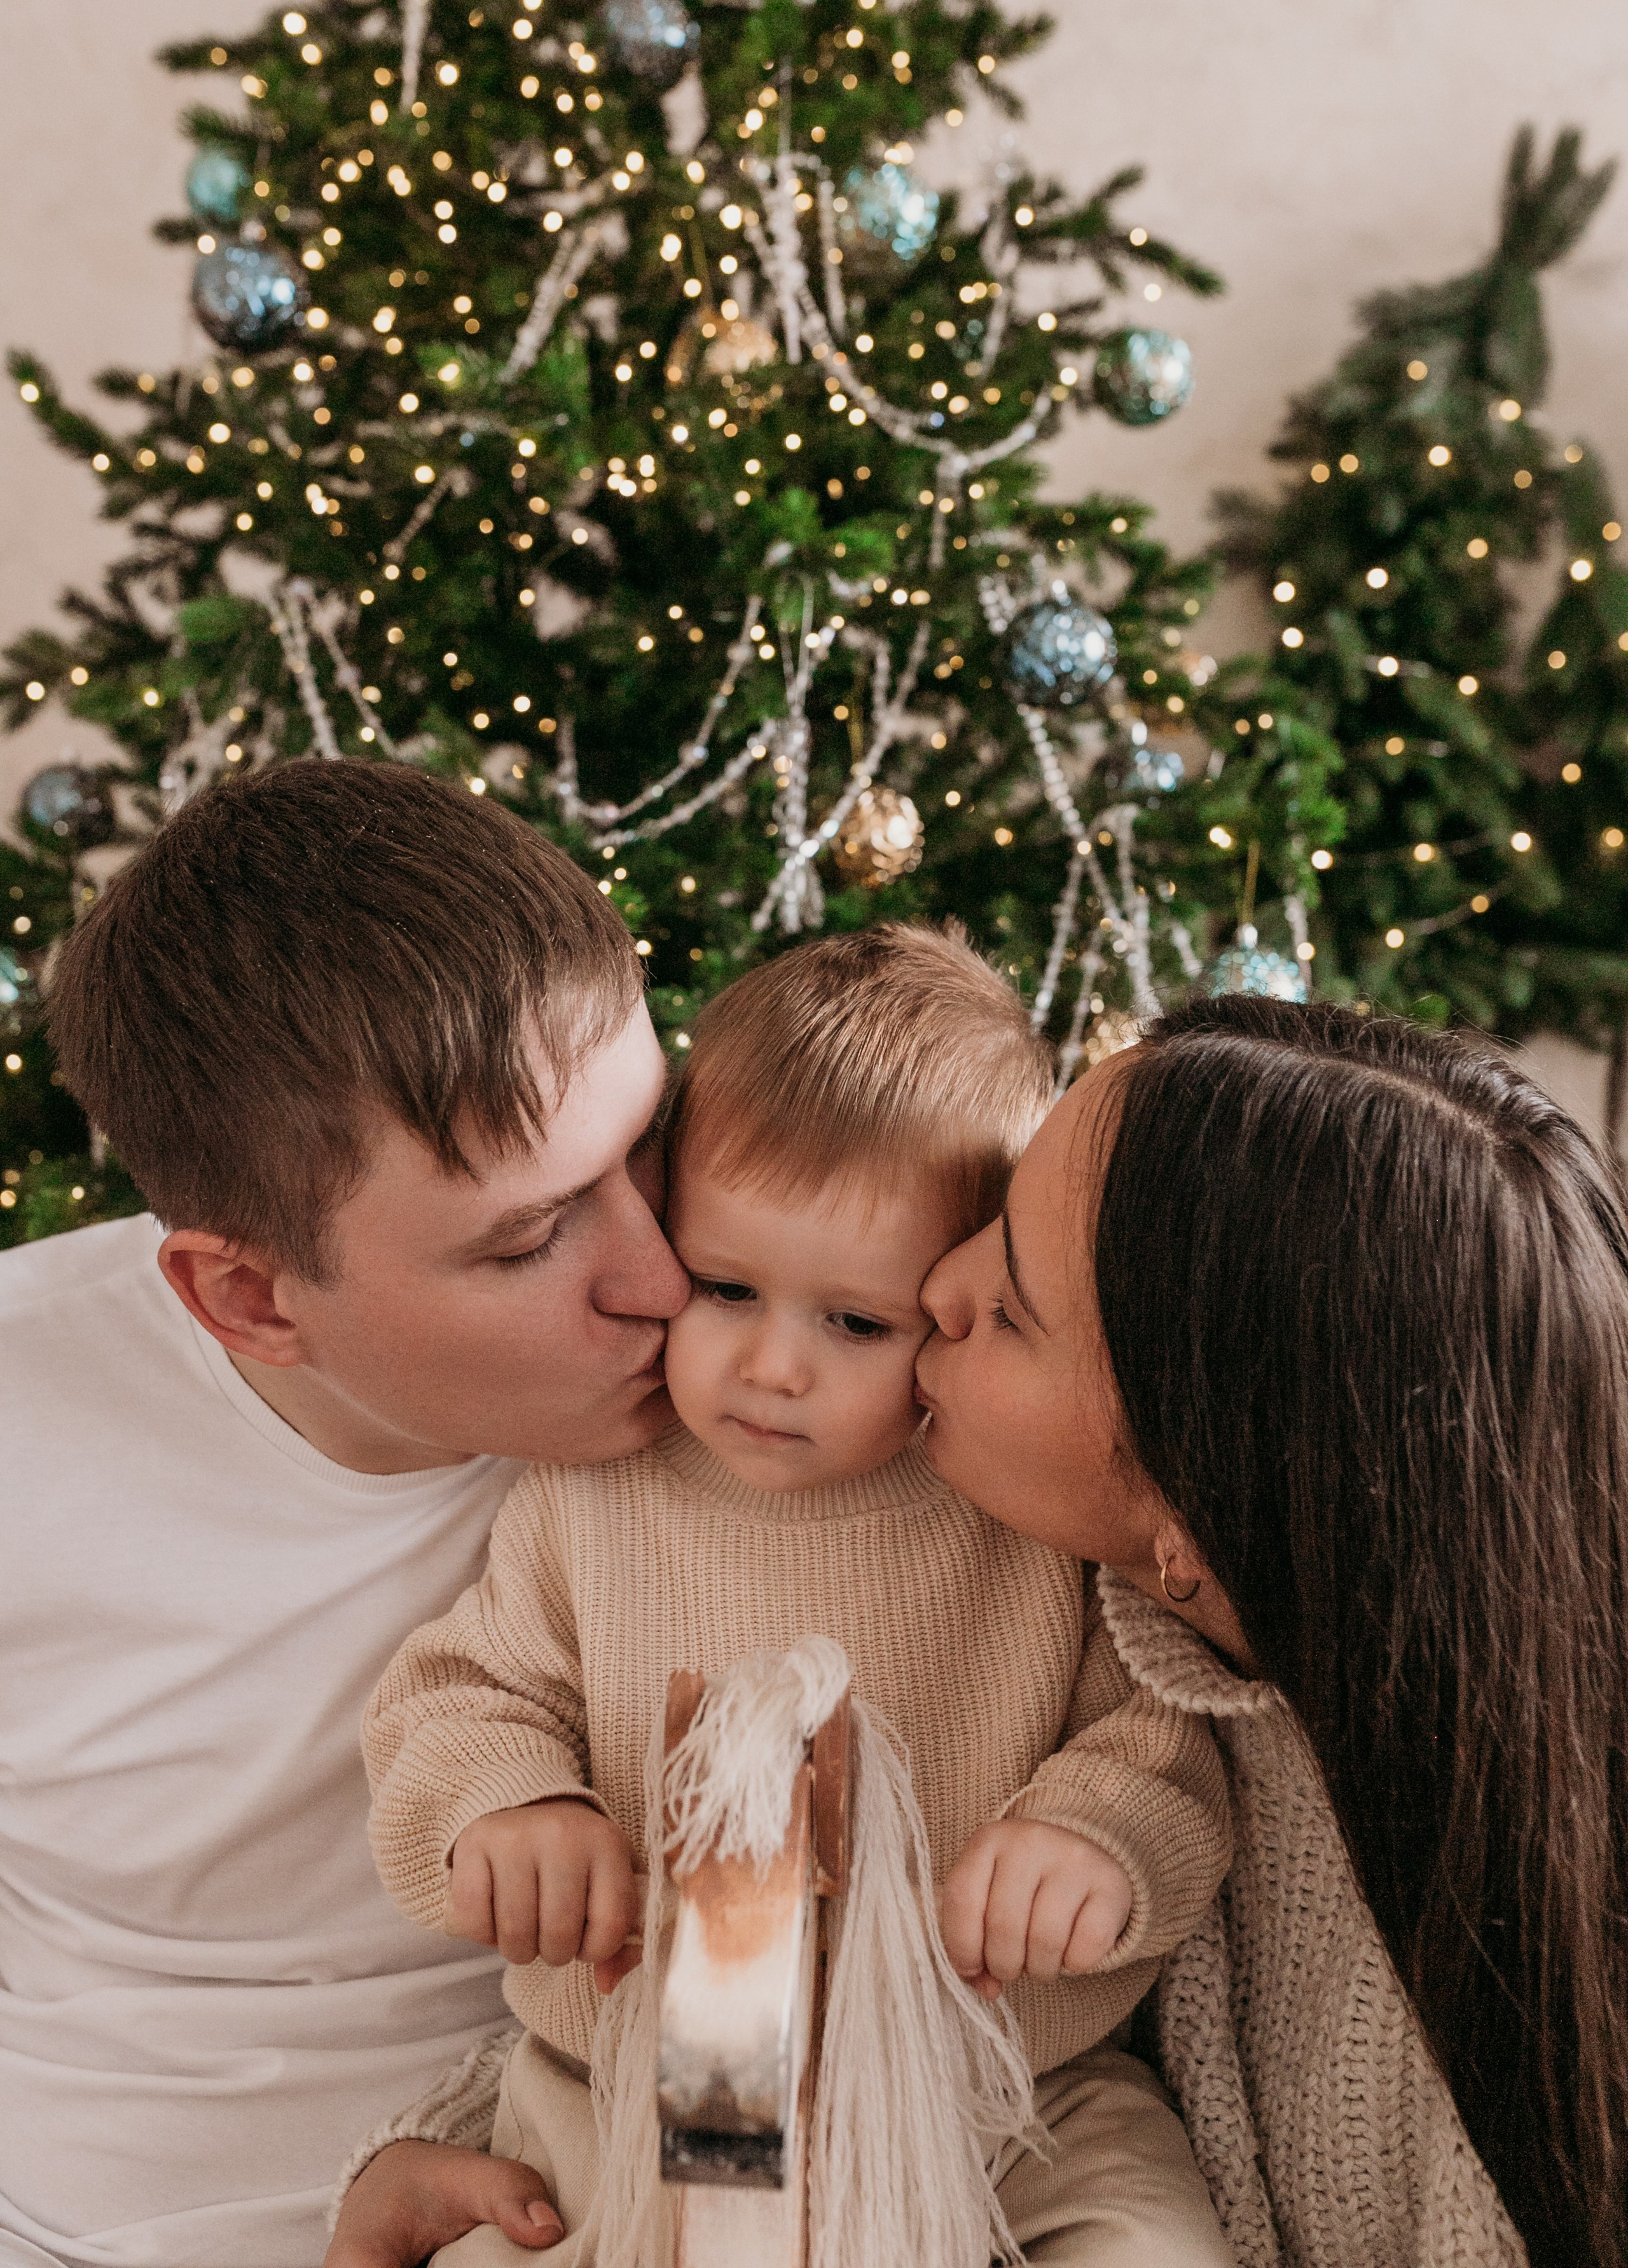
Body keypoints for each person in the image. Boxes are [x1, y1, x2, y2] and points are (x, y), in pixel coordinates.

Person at [357, 929, 1236, 2267]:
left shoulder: (1015, 1511)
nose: (770, 1367)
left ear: (959, 1301)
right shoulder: (597, 1490)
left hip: (1005, 2098)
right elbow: (458, 1692)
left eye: (855, 1324)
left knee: (1152, 2244)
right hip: (637, 2100)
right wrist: (508, 1806)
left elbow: (1162, 1738)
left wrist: (1093, 1845)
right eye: (725, 1286)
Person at [0, 760, 689, 2268]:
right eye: (528, 1240)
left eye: (650, 1145)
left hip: (580, 2178)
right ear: (248, 1297)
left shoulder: (773, 1378)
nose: (664, 1278)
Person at [916, 995, 1628, 2268]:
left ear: (1196, 1526)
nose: (934, 1286)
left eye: (1012, 1310)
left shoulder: (1486, 2013)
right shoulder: (1074, 1601)